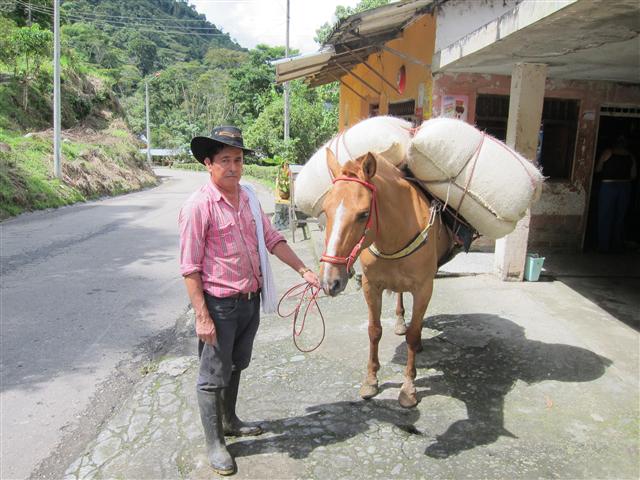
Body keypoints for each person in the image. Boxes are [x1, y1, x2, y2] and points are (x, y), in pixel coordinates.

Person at [179, 125, 320, 475]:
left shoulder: (250, 198)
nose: (233, 167)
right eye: (224, 160)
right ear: (208, 164)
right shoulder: (199, 206)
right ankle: (215, 443)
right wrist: (202, 316)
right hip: (219, 305)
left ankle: (230, 421)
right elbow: (190, 268)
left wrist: (304, 269)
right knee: (212, 374)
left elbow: (272, 239)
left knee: (237, 364)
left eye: (238, 160)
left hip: (249, 301)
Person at [595, 135, 637, 253]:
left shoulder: (608, 152)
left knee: (605, 216)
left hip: (608, 186)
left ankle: (603, 246)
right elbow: (633, 175)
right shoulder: (630, 156)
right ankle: (616, 245)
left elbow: (598, 169)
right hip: (624, 186)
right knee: (619, 217)